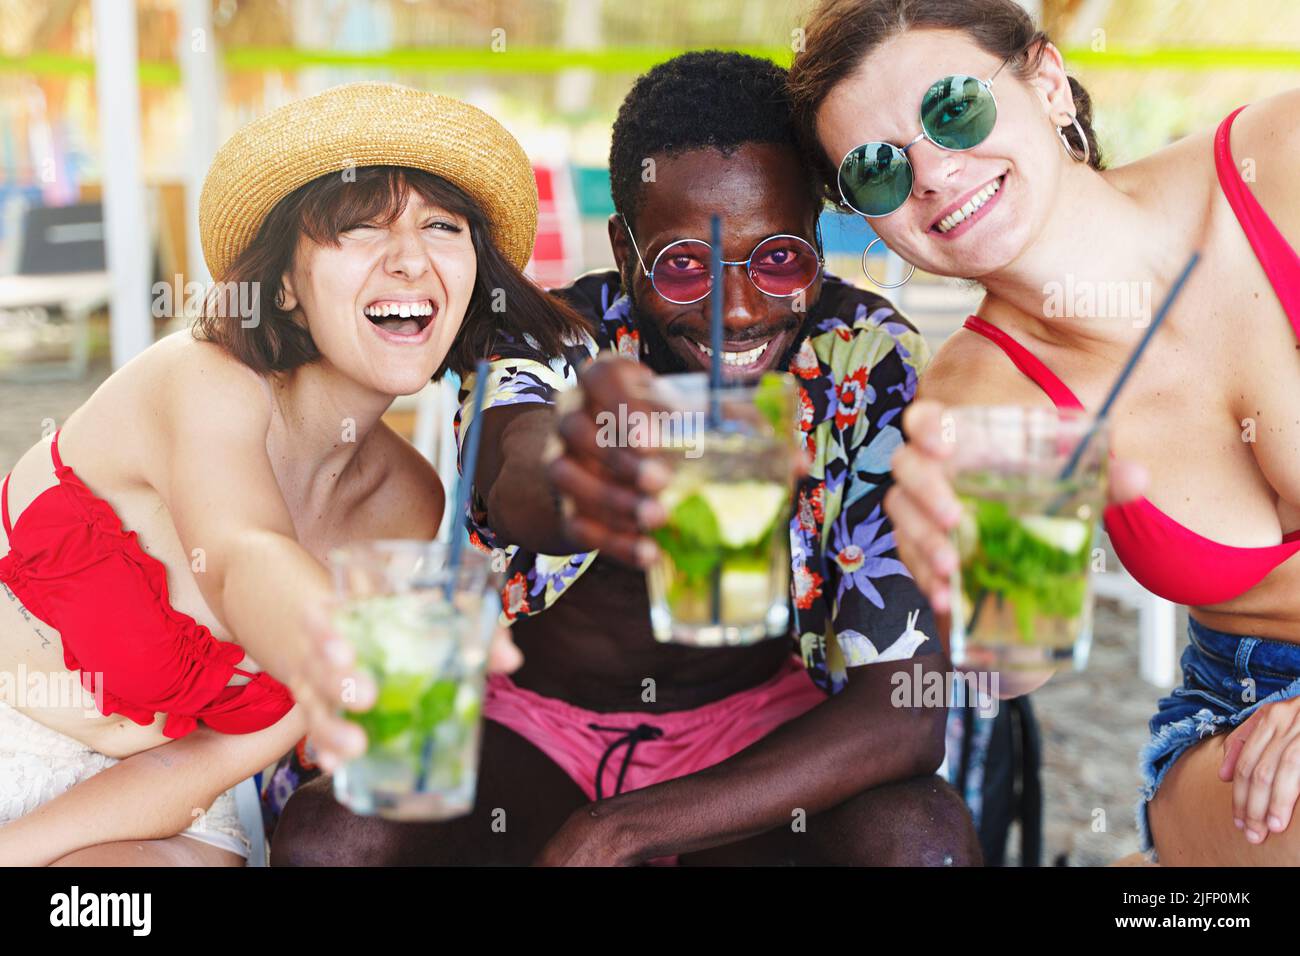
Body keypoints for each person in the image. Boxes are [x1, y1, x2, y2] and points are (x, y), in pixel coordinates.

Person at [272, 51, 981, 866]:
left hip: (750, 736)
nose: (738, 311)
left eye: (779, 257)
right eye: (683, 266)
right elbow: (516, 472)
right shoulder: (546, 334)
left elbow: (905, 713)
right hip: (530, 738)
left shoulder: (862, 357)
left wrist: (622, 829)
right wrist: (584, 482)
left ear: (818, 238)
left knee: (921, 837)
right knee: (334, 836)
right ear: (624, 244)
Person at [787, 0, 1300, 864]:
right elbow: (1020, 664)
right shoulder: (976, 402)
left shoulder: (1278, 165)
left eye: (954, 109)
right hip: (1247, 719)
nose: (935, 177)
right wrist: (966, 592)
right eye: (878, 171)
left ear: (1048, 81)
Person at [0, 81, 564, 865]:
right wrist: (338, 646)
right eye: (361, 229)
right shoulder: (201, 381)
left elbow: (200, 761)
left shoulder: (409, 497)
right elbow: (240, 553)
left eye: (444, 226)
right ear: (287, 287)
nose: (409, 258)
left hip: (166, 806)